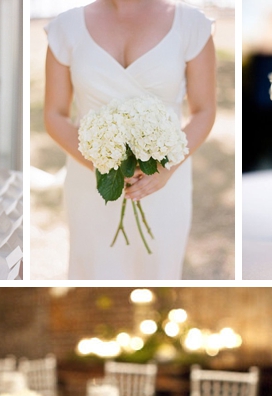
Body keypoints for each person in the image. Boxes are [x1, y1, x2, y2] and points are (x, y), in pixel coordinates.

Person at [44, 0, 216, 279]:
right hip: (90, 181)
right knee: (94, 270)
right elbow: (54, 114)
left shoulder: (191, 25)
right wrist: (103, 166)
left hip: (164, 181)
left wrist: (166, 169)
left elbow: (204, 111)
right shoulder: (66, 27)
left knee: (159, 270)